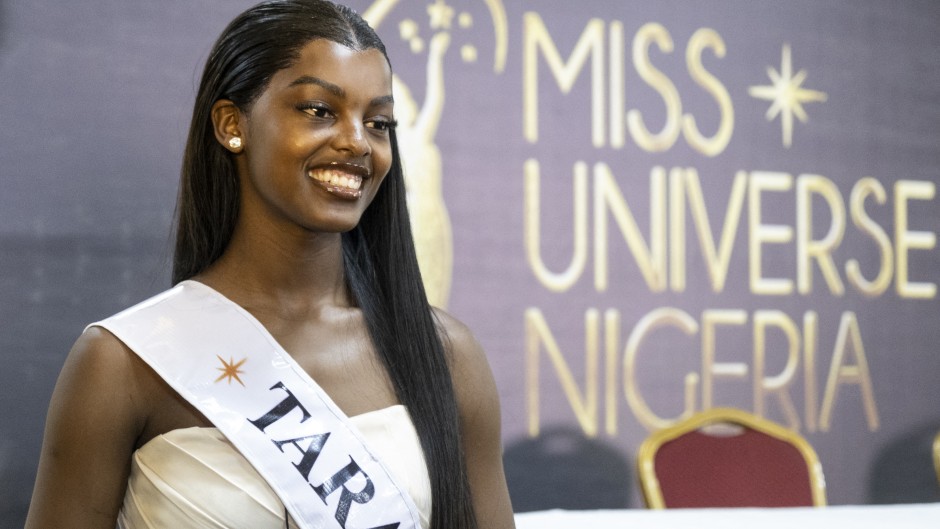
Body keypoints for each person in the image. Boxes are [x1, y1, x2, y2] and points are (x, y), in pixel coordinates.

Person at [24, 1, 515, 528]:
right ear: (231, 124)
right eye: (319, 110)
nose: (356, 141)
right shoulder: (123, 362)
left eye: (377, 122)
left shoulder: (443, 353)